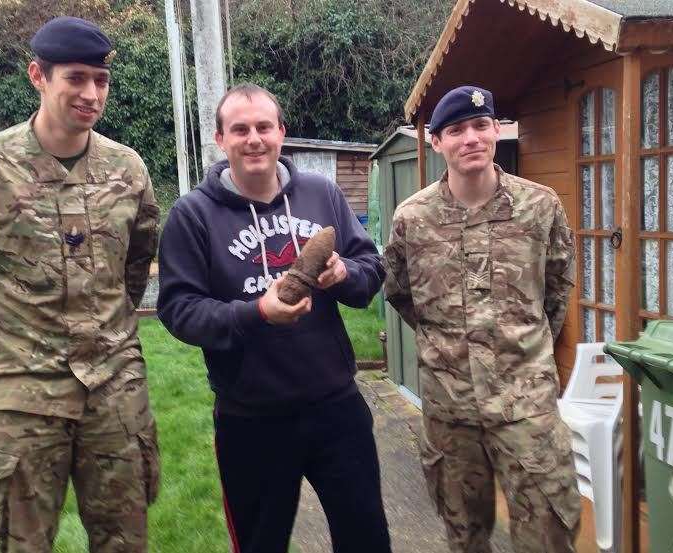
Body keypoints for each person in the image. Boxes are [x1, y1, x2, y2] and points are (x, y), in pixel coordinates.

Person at [0, 16, 160, 553]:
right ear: (38, 75)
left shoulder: (128, 169)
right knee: (24, 543)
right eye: (75, 78)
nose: (91, 93)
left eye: (100, 80)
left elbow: (136, 262)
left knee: (125, 540)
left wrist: (106, 330)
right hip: (21, 395)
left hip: (113, 392)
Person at [156, 83, 391, 553]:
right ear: (221, 140)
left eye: (264, 126)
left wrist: (343, 274)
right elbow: (179, 310)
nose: (254, 139)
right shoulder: (192, 215)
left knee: (367, 538)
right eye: (239, 129)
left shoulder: (322, 195)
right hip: (251, 418)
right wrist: (256, 313)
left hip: (335, 407)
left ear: (281, 132)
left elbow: (371, 274)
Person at [383, 85, 581, 553]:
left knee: (548, 533)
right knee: (464, 534)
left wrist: (520, 350)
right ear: (436, 142)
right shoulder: (412, 219)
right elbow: (400, 292)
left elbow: (558, 287)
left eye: (480, 125)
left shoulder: (540, 206)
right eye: (455, 130)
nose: (470, 138)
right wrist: (449, 345)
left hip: (526, 407)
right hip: (451, 412)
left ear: (496, 130)